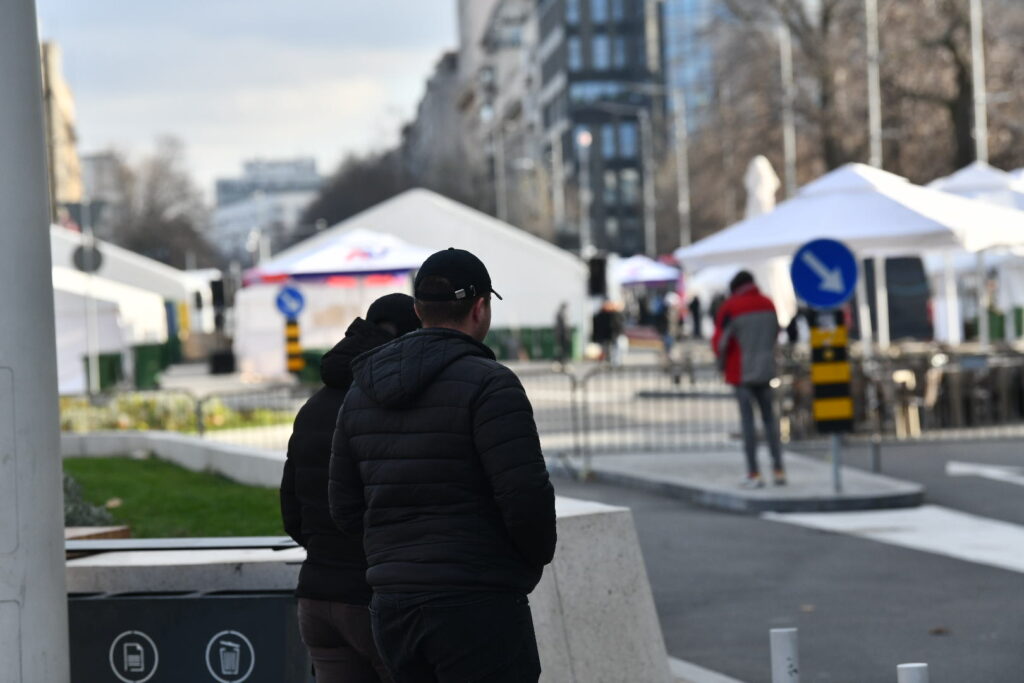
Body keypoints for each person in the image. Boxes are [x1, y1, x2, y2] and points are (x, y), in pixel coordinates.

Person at [329, 248, 557, 683]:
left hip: (393, 608)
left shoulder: (360, 391)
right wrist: (523, 568)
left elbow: (343, 508)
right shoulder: (492, 385)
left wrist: (393, 561)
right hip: (478, 603)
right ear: (480, 308)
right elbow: (526, 498)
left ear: (418, 310)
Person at [280, 293, 421, 683]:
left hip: (317, 598)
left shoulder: (313, 407)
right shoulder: (389, 404)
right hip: (374, 599)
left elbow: (291, 513)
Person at [712, 271, 786, 488]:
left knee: (748, 425)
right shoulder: (768, 303)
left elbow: (721, 341)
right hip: (766, 371)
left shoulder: (731, 307)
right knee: (770, 422)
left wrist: (721, 366)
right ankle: (778, 469)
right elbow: (775, 333)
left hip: (741, 372)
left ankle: (754, 473)